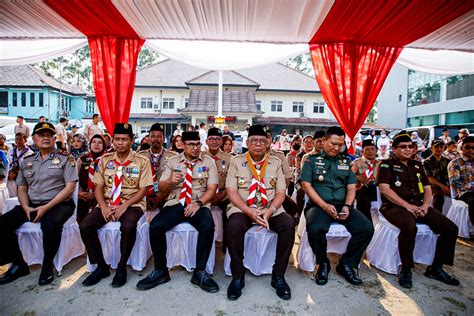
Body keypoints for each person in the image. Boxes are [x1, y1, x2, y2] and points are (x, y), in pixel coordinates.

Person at [137, 131, 219, 293]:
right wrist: (169, 181)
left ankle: (200, 272)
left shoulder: (208, 162)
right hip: (176, 202)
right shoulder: (173, 161)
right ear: (183, 145)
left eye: (197, 144)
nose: (195, 148)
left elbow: (212, 188)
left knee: (208, 226)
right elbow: (160, 186)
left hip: (198, 202)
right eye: (191, 144)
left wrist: (198, 203)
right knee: (155, 226)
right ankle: (160, 271)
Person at [378, 131, 459, 289]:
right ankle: (406, 268)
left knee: (450, 228)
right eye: (403, 147)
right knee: (409, 227)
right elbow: (384, 189)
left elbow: (427, 188)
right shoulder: (387, 164)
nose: (408, 149)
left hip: (419, 205)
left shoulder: (417, 165)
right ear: (394, 149)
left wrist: (425, 206)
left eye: (410, 146)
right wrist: (408, 206)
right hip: (393, 207)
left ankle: (436, 268)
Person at [0, 122, 78, 285]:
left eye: (49, 135)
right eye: (41, 135)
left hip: (59, 204)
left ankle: (47, 265)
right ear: (34, 139)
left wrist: (46, 208)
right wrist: (26, 207)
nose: (45, 138)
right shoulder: (27, 161)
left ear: (55, 138)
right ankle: (18, 264)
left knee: (50, 225)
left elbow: (70, 188)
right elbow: (21, 188)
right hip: (32, 203)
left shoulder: (65, 159)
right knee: (3, 223)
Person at [225, 125, 294, 300]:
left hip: (270, 207)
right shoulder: (236, 161)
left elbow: (280, 192)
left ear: (268, 143)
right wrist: (248, 211)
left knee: (288, 224)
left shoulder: (276, 162)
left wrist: (270, 210)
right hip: (243, 207)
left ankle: (278, 276)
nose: (258, 144)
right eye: (254, 141)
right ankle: (238, 277)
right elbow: (231, 191)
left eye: (262, 141)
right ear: (247, 143)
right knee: (234, 226)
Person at [80, 123, 153, 288]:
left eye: (124, 139)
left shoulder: (142, 161)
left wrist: (124, 205)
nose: (120, 143)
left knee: (128, 226)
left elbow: (143, 190)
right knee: (85, 226)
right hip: (107, 202)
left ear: (131, 140)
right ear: (112, 141)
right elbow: (98, 187)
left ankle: (121, 267)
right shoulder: (105, 160)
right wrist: (103, 207)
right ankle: (101, 266)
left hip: (132, 203)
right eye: (117, 139)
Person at [300, 126, 374, 286]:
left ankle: (347, 264)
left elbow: (351, 187)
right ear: (324, 141)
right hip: (318, 206)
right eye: (333, 143)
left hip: (343, 205)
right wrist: (325, 206)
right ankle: (323, 263)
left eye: (340, 144)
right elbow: (306, 186)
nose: (336, 148)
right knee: (315, 228)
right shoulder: (311, 161)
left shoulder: (346, 161)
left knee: (367, 228)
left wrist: (347, 206)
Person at [203, 127, 232, 250]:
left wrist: (222, 195)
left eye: (217, 139)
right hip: (203, 195)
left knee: (229, 215)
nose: (214, 141)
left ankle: (226, 246)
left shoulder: (230, 159)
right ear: (206, 141)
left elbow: (231, 182)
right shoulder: (200, 157)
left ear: (221, 142)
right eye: (211, 139)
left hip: (223, 195)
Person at [138, 123, 177, 211]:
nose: (156, 139)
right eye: (153, 136)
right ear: (148, 139)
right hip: (144, 197)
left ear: (163, 139)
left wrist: (160, 197)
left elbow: (175, 182)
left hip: (166, 197)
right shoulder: (140, 156)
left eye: (159, 136)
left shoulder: (173, 157)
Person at [76, 134, 107, 224]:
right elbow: (75, 179)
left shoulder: (108, 160)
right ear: (89, 145)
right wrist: (79, 193)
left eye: (100, 143)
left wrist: (100, 194)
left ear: (104, 146)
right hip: (84, 195)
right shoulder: (82, 160)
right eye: (93, 142)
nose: (96, 145)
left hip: (102, 197)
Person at [351, 139, 380, 222]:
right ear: (362, 151)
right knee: (363, 198)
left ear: (376, 150)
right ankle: (365, 222)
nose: (370, 151)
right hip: (361, 191)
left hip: (377, 190)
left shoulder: (381, 163)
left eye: (372, 149)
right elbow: (348, 175)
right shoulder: (356, 163)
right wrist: (358, 177)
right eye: (367, 149)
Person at [448, 136, 474, 225]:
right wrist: (471, 187)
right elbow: (454, 181)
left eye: (473, 148)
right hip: (463, 193)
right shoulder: (455, 162)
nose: (470, 150)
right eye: (467, 147)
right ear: (462, 148)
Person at [423, 140, 451, 212]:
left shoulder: (448, 161)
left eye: (441, 147)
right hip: (433, 186)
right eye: (436, 147)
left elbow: (451, 175)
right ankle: (438, 217)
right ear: (431, 148)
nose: (438, 149)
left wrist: (449, 186)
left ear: (444, 148)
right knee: (438, 197)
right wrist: (442, 187)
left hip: (447, 185)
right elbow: (429, 178)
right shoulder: (426, 162)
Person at [7, 133, 34, 197]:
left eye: (21, 139)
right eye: (17, 139)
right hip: (11, 177)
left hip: (23, 178)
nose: (18, 141)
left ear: (25, 140)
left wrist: (17, 173)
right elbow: (8, 164)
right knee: (12, 195)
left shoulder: (30, 153)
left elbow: (29, 168)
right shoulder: (11, 150)